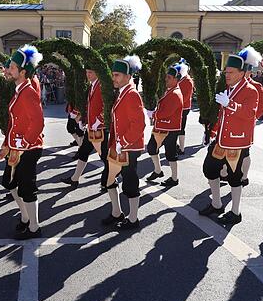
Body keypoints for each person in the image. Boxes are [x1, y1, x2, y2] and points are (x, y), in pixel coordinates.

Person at [199, 46, 263, 225]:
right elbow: (222, 116)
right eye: (225, 72)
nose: (226, 75)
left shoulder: (251, 90)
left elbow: (250, 113)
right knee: (210, 169)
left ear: (242, 73)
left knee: (235, 178)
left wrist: (230, 105)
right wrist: (212, 133)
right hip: (221, 140)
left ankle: (235, 212)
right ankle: (216, 203)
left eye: (230, 72)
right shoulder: (229, 88)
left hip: (238, 141)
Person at [0, 45, 45, 239]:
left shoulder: (28, 91)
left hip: (29, 148)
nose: (8, 70)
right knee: (9, 183)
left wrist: (24, 143)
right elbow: (15, 121)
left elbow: (38, 122)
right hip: (17, 147)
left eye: (12, 67)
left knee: (27, 188)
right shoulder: (20, 89)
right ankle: (25, 217)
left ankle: (34, 227)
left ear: (23, 72)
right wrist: (7, 145)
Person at [102, 55, 145, 231]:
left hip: (129, 146)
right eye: (113, 75)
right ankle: (116, 212)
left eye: (117, 75)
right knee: (108, 178)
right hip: (118, 144)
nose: (114, 78)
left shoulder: (132, 95)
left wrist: (123, 141)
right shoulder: (123, 93)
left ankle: (133, 218)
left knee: (130, 181)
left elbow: (139, 124)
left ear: (128, 77)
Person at [62, 67, 109, 190]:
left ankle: (110, 180)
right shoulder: (93, 85)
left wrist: (99, 120)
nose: (88, 75)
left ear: (97, 72)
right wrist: (84, 119)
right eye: (87, 72)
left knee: (104, 157)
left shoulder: (101, 86)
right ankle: (75, 179)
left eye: (90, 72)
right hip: (92, 128)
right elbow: (90, 106)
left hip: (101, 129)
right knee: (83, 151)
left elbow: (107, 105)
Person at [145, 63, 184, 187]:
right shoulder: (170, 91)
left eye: (169, 77)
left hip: (170, 128)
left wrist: (153, 114)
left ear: (176, 80)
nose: (166, 79)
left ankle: (174, 178)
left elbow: (166, 113)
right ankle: (158, 171)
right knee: (151, 148)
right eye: (166, 77)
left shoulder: (175, 94)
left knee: (170, 154)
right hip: (161, 127)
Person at [176, 60, 194, 154]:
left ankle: (182, 149)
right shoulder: (181, 79)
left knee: (181, 128)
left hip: (183, 108)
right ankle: (176, 146)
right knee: (175, 128)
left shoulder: (187, 81)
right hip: (177, 107)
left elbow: (186, 96)